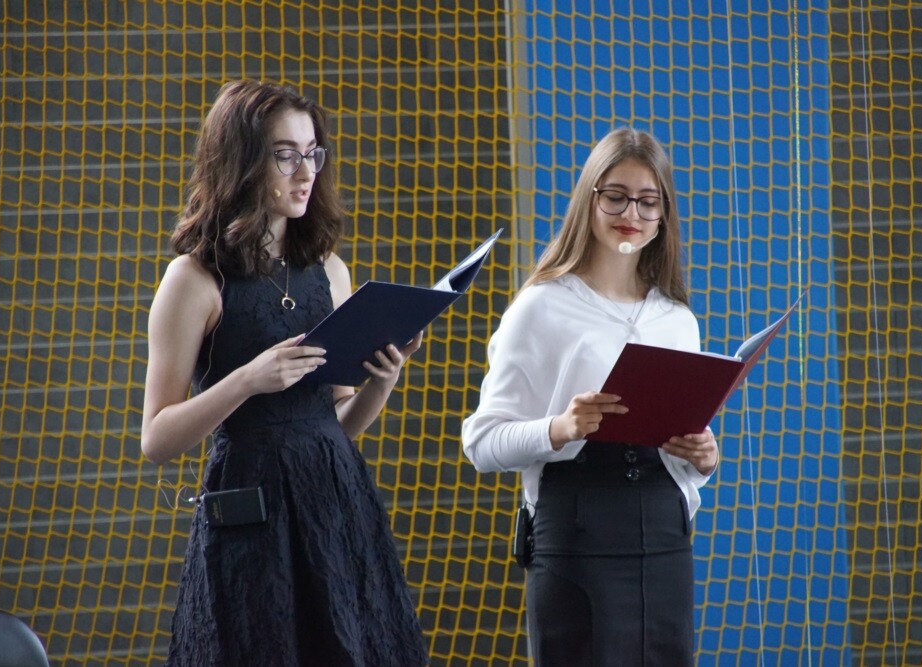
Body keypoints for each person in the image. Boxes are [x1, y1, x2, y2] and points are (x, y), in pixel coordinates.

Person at [140, 79, 428, 666]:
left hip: (335, 502)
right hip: (253, 511)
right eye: (286, 155)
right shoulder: (193, 279)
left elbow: (337, 422)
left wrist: (383, 378)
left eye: (313, 153)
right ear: (243, 162)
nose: (306, 172)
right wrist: (248, 378)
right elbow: (157, 438)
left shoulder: (330, 270)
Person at [461, 127, 719, 666]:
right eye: (616, 196)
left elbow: (682, 455)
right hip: (578, 536)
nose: (632, 213)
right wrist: (561, 427)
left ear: (664, 214)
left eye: (648, 201)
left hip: (665, 537)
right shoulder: (541, 306)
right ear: (589, 198)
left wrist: (702, 456)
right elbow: (480, 444)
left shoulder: (677, 318)